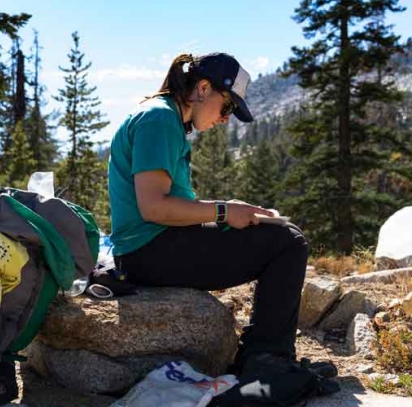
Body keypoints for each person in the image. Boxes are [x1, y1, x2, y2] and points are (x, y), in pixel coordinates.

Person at [108, 53, 309, 377]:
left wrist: (230, 210)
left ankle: (264, 354)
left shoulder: (165, 118)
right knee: (288, 243)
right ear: (203, 88)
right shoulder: (159, 119)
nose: (226, 118)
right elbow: (154, 207)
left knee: (281, 236)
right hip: (148, 252)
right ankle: (265, 358)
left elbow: (170, 204)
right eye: (227, 106)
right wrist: (223, 212)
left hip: (148, 248)